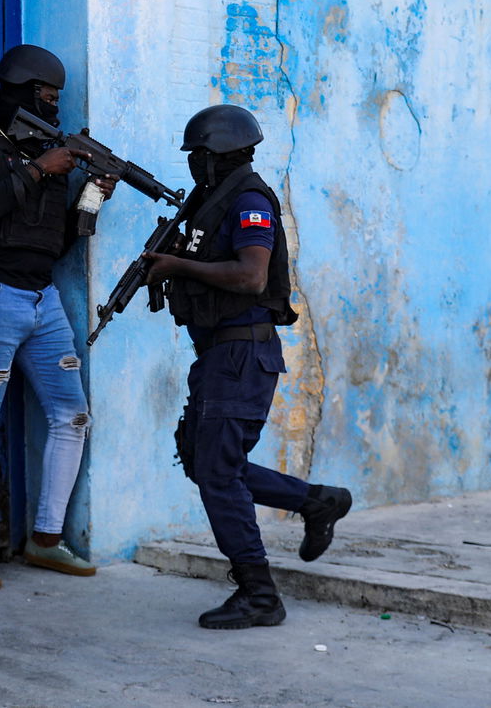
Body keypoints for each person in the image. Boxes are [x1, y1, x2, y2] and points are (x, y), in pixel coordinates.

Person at [141, 104, 352, 630]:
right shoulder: (211, 201)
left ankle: (259, 594)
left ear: (217, 156)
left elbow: (252, 276)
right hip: (219, 354)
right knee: (203, 460)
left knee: (216, 471)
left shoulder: (250, 200)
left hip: (240, 354)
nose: (193, 167)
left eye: (198, 158)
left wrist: (176, 266)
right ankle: (317, 501)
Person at [0, 44, 115, 590]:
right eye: (46, 96)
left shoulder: (55, 160)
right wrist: (41, 168)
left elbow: (58, 242)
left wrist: (89, 196)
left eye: (57, 99)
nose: (54, 107)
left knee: (73, 417)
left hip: (43, 301)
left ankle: (46, 539)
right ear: (17, 93)